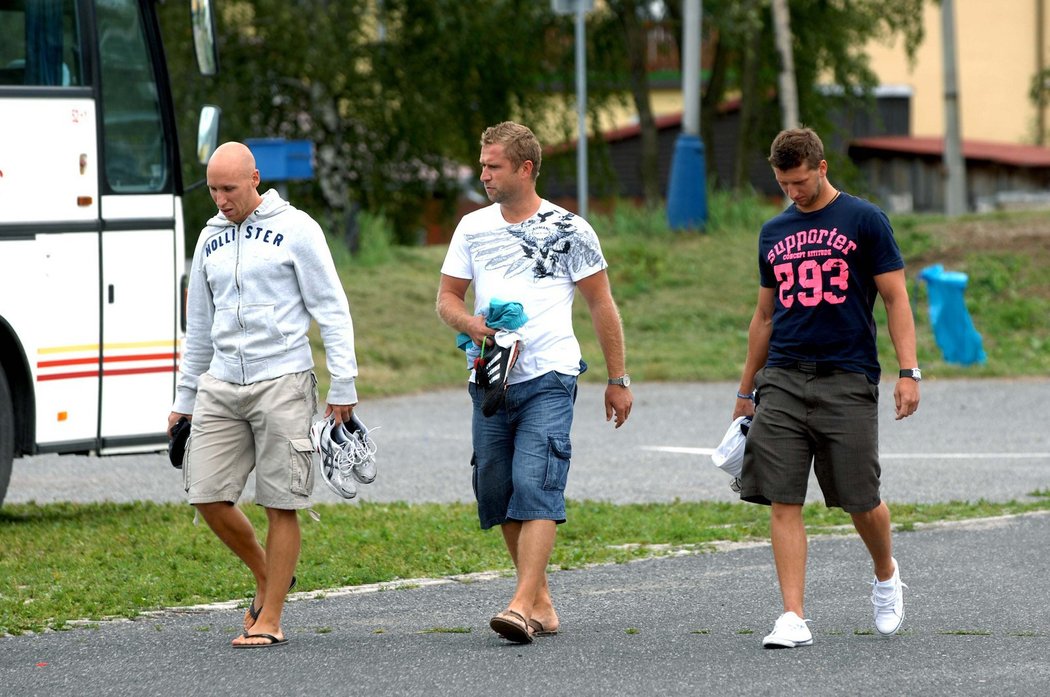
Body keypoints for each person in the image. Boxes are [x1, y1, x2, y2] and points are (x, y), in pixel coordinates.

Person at [436, 121, 633, 644]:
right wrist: (472, 325)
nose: (484, 175)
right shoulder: (472, 228)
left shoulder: (571, 229)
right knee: (496, 487)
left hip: (550, 375)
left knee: (536, 481)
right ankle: (541, 602)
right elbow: (447, 299)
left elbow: (601, 305)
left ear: (525, 168)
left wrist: (618, 378)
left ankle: (521, 604)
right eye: (482, 165)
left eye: (493, 166)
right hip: (490, 378)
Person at [732, 127, 920, 649]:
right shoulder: (773, 231)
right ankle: (793, 616)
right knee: (782, 497)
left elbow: (896, 299)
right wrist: (746, 388)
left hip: (848, 376)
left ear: (821, 167)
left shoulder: (865, 220)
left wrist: (909, 371)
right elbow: (765, 315)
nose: (792, 191)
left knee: (862, 499)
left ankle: (885, 572)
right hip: (785, 378)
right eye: (782, 183)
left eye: (799, 181)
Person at [167, 141, 359, 648]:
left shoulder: (297, 229)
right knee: (205, 493)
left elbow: (332, 310)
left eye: (228, 189)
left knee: (281, 502)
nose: (220, 200)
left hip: (283, 381)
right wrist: (184, 399)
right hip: (221, 383)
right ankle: (267, 573)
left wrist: (344, 384)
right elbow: (199, 328)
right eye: (212, 190)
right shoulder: (209, 237)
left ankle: (270, 616)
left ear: (255, 178)